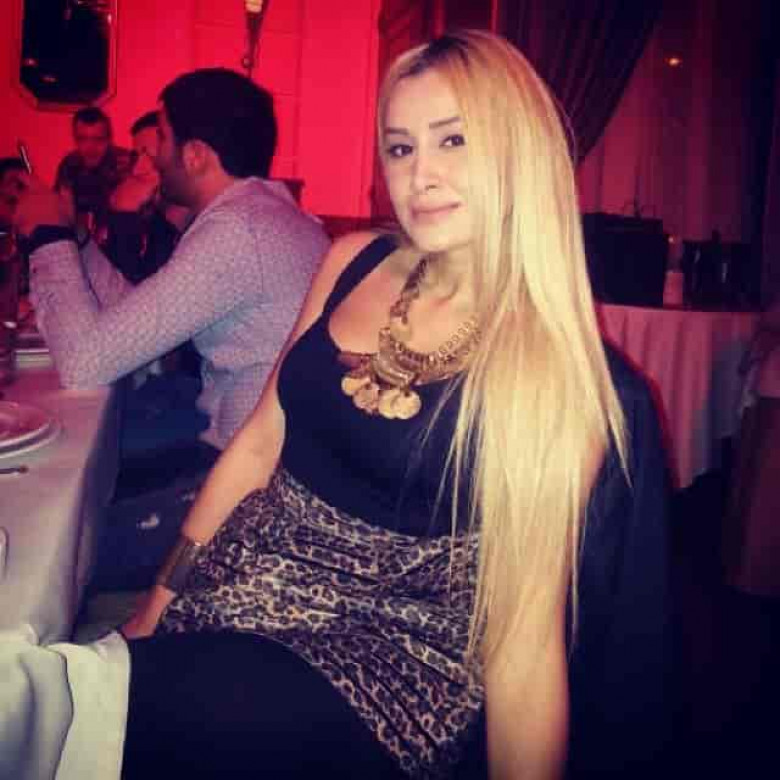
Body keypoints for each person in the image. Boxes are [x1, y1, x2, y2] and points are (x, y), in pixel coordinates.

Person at [117, 32, 674, 778]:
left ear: (521, 150)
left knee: (163, 713)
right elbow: (257, 445)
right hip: (250, 576)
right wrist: (158, 599)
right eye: (401, 147)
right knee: (116, 693)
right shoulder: (352, 261)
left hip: (392, 651)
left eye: (454, 139)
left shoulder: (553, 374)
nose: (421, 174)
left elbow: (523, 642)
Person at [14, 68, 329, 460]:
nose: (153, 158)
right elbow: (138, 317)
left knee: (63, 453)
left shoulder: (238, 230)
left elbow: (83, 363)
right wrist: (76, 238)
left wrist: (47, 237)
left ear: (194, 155)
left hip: (246, 467)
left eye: (162, 139)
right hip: (257, 445)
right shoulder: (257, 214)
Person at [104, 110, 191, 284]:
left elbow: (131, 292)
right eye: (136, 156)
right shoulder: (159, 220)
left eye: (150, 155)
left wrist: (123, 218)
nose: (137, 169)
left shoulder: (205, 227)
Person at [54, 106, 133, 238]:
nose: (90, 148)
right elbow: (60, 212)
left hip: (119, 238)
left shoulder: (124, 164)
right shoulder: (69, 165)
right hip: (79, 239)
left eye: (98, 140)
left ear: (109, 139)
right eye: (82, 139)